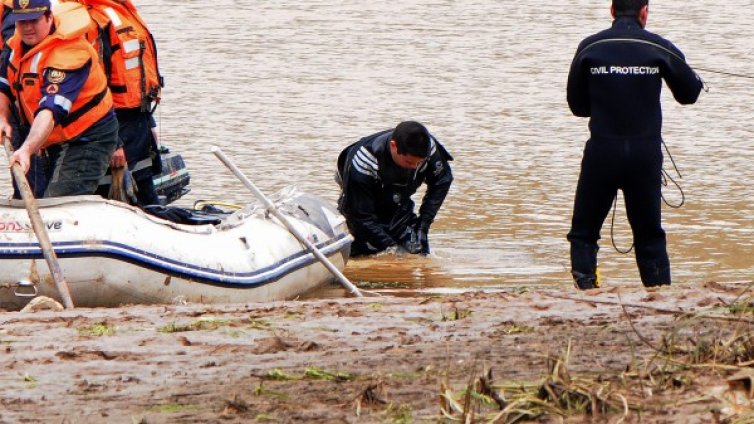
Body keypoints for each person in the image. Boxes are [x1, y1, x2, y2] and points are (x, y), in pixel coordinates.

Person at [566, 0, 703, 289]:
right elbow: (689, 94)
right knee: (649, 235)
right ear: (644, 12)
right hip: (644, 155)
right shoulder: (659, 47)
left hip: (602, 152)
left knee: (584, 233)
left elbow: (577, 106)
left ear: (612, 11)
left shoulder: (590, 47)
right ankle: (659, 294)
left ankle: (588, 292)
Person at [0, 0, 118, 197]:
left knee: (58, 201)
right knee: (34, 195)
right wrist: (3, 118)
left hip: (87, 137)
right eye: (22, 22)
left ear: (49, 17)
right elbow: (3, 85)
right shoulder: (16, 46)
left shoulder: (69, 53)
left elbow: (50, 111)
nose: (27, 28)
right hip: (51, 137)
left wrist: (27, 149)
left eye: (33, 21)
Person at [75, 0, 164, 206]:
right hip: (110, 123)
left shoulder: (120, 10)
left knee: (145, 189)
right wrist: (115, 142)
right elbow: (91, 90)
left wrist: (148, 123)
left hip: (137, 120)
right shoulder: (89, 21)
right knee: (106, 196)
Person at [336, 121, 453, 257]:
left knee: (417, 250)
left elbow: (442, 182)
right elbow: (360, 216)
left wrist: (423, 225)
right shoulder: (365, 160)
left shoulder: (429, 148)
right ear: (393, 146)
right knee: (367, 250)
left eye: (420, 163)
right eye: (409, 162)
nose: (415, 167)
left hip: (399, 202)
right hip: (361, 199)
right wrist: (390, 249)